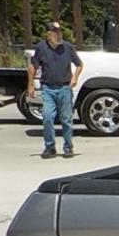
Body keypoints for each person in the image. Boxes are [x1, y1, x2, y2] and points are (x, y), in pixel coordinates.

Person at [28, 22, 83, 159]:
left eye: (59, 32)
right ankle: (50, 147)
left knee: (66, 119)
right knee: (47, 117)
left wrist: (75, 77)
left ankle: (68, 147)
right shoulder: (41, 48)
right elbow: (33, 67)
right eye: (55, 32)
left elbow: (79, 64)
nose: (58, 35)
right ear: (48, 34)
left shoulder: (68, 47)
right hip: (48, 88)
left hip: (64, 88)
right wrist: (30, 85)